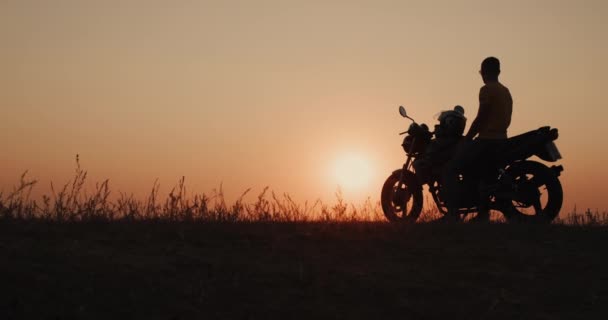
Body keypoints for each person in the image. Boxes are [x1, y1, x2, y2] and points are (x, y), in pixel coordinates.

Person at [441, 57, 513, 222]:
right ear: (499, 72)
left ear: (484, 72)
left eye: (481, 72)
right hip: (502, 139)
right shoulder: (505, 91)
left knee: (450, 169)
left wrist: (467, 137)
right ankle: (482, 214)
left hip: (487, 140)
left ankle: (452, 214)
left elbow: (482, 117)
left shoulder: (486, 90)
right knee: (484, 175)